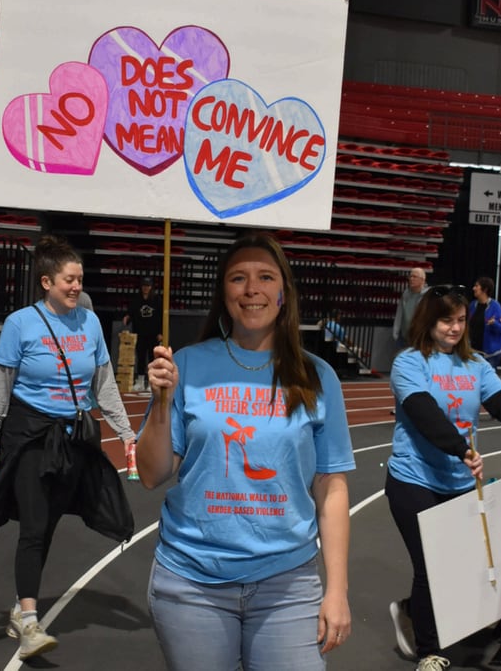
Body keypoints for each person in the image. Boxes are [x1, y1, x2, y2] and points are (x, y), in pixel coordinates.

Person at [136, 232, 355, 671]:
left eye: (265, 277)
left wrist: (337, 589)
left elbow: (330, 485)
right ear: (224, 292)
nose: (251, 289)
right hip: (191, 582)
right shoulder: (187, 365)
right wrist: (161, 403)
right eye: (238, 278)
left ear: (284, 292)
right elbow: (152, 473)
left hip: (287, 583)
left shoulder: (317, 376)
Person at [0, 235, 136, 660]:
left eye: (80, 280)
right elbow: (1, 385)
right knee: (32, 524)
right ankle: (29, 621)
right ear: (46, 281)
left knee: (45, 525)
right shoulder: (20, 324)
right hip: (29, 436)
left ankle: (19, 608)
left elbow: (102, 383)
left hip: (74, 438)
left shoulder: (91, 323)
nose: (75, 287)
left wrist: (125, 431)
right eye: (68, 280)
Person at [386, 284, 501, 671]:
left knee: (460, 564)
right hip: (414, 478)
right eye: (446, 320)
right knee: (431, 563)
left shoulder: (475, 364)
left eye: (460, 320)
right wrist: (462, 450)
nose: (455, 328)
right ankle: (429, 651)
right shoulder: (409, 363)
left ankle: (410, 610)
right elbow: (425, 415)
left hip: (459, 480)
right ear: (428, 321)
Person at [122, 275, 162, 390]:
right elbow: (131, 312)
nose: (146, 288)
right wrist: (127, 317)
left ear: (151, 287)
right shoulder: (137, 299)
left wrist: (160, 332)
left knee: (151, 358)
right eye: (144, 285)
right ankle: (139, 381)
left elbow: (160, 317)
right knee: (140, 357)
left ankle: (151, 382)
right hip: (139, 332)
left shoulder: (157, 300)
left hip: (153, 333)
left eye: (148, 286)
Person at [469, 276, 501, 370]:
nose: (474, 288)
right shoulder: (472, 305)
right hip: (473, 352)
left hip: (490, 354)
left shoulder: (495, 306)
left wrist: (494, 323)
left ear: (485, 289)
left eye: (476, 286)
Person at [393, 267, 429, 348]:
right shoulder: (406, 294)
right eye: (410, 276)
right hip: (404, 337)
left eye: (414, 277)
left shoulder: (428, 296)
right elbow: (400, 313)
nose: (411, 279)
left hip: (420, 339)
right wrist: (396, 332)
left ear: (422, 280)